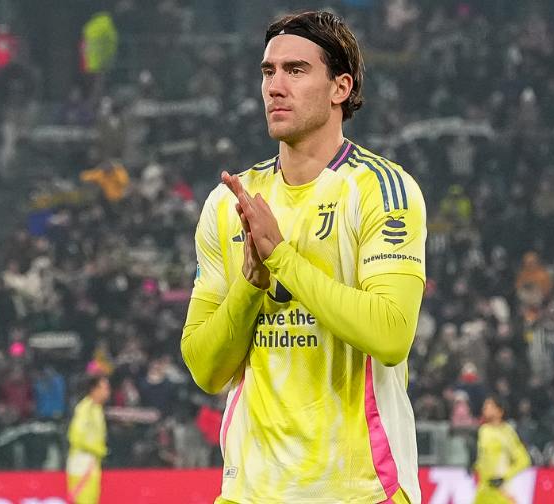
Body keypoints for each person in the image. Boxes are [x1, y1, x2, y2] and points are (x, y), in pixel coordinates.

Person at [181, 10, 427, 503]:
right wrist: (251, 284)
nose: (275, 86)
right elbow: (205, 369)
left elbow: (391, 334)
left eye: (295, 70)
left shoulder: (381, 190)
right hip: (248, 493)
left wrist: (283, 259)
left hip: (360, 490)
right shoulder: (229, 203)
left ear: (340, 87)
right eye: (268, 72)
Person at [473, 396, 531, 504]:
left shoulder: (507, 432)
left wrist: (503, 477)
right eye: (484, 407)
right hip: (484, 489)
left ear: (500, 411)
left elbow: (523, 460)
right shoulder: (483, 430)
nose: (484, 409)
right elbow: (484, 457)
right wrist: (475, 466)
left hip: (501, 490)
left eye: (489, 406)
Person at [66, 374, 110, 504]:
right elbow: (75, 436)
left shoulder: (97, 408)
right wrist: (99, 449)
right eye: (105, 388)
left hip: (93, 463)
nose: (108, 391)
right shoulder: (85, 408)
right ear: (94, 389)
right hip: (82, 463)